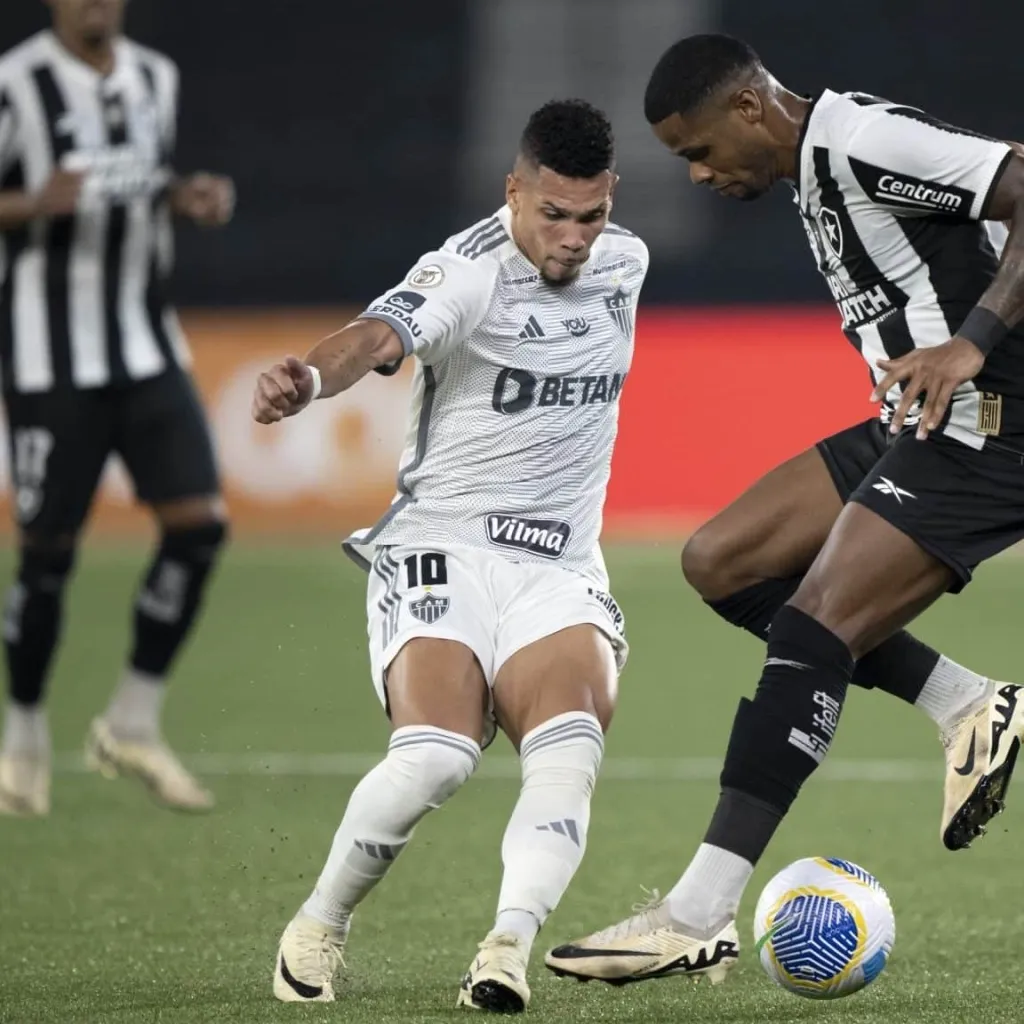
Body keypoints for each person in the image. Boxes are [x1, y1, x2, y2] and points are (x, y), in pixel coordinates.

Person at [544, 33, 1024, 987]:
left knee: (814, 628)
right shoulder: (814, 169)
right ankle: (968, 703)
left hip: (994, 417)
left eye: (699, 150)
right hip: (925, 418)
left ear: (752, 110)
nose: (696, 174)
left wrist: (970, 343)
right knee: (724, 560)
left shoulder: (858, 141)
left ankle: (695, 913)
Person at [252, 99, 647, 1012]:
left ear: (611, 202)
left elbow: (600, 259)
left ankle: (505, 948)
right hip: (444, 548)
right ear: (514, 193)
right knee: (435, 758)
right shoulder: (468, 272)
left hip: (557, 565)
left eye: (592, 216)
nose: (575, 238)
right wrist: (310, 378)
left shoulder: (626, 263)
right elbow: (376, 338)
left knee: (567, 753)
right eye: (553, 214)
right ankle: (319, 923)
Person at [0, 0, 234, 815]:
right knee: (48, 556)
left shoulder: (154, 78)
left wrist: (185, 197)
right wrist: (31, 204)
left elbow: (136, 184)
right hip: (48, 356)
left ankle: (133, 719)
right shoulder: (16, 84)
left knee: (200, 526)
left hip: (147, 345)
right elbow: (38, 199)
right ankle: (23, 732)